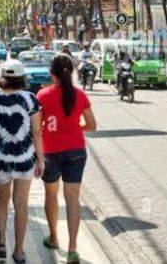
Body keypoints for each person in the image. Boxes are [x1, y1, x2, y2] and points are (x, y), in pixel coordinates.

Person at [0, 60, 44, 263]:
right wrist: (41, 160)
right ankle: (19, 251)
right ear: (22, 78)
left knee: (0, 201)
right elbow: (37, 134)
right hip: (24, 160)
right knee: (21, 204)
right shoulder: (31, 100)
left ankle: (2, 243)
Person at [38, 55, 97, 264]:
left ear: (52, 73)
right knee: (73, 198)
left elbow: (36, 128)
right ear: (71, 72)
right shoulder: (80, 95)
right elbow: (92, 125)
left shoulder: (42, 95)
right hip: (76, 151)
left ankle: (54, 238)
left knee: (51, 194)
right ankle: (73, 248)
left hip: (50, 152)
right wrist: (74, 128)